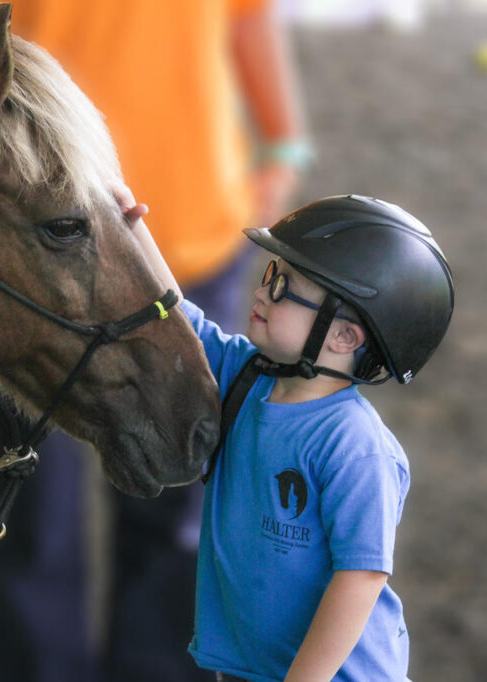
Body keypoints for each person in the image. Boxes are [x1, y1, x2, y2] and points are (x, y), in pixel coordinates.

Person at [0, 1, 311, 681]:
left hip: (189, 232)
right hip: (32, 248)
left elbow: (246, 14)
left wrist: (282, 139)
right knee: (27, 503)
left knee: (179, 494)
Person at [124, 192, 455, 681]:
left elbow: (360, 577)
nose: (261, 293)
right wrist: (126, 222)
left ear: (344, 338)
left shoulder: (355, 447)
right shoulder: (243, 376)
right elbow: (171, 313)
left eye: (284, 287)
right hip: (248, 670)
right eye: (269, 276)